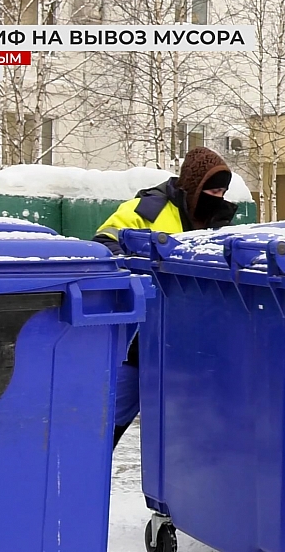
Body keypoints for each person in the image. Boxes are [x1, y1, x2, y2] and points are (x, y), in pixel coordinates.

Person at [93, 147, 238, 448]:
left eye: (222, 191)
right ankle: (81, 483)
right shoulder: (149, 209)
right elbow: (103, 243)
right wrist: (138, 267)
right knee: (105, 424)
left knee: (181, 440)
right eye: (212, 189)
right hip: (140, 341)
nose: (218, 196)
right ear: (194, 185)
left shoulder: (218, 222)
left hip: (187, 347)